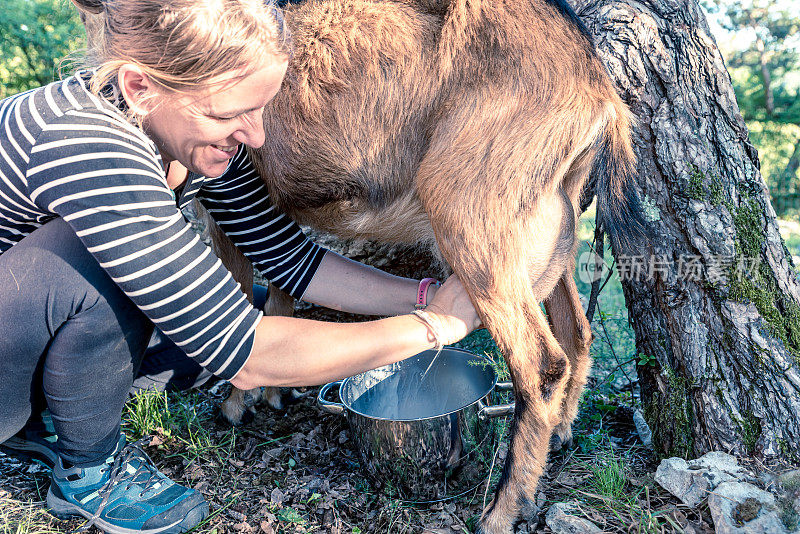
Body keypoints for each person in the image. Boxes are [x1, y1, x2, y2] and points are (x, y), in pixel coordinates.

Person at [0, 0, 482, 532]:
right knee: (89, 263)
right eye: (230, 115)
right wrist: (437, 326)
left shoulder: (180, 128)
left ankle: (42, 414)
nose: (255, 136)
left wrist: (428, 295)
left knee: (210, 323)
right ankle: (88, 473)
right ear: (141, 87)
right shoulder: (90, 146)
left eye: (260, 109)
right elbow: (248, 355)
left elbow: (288, 257)